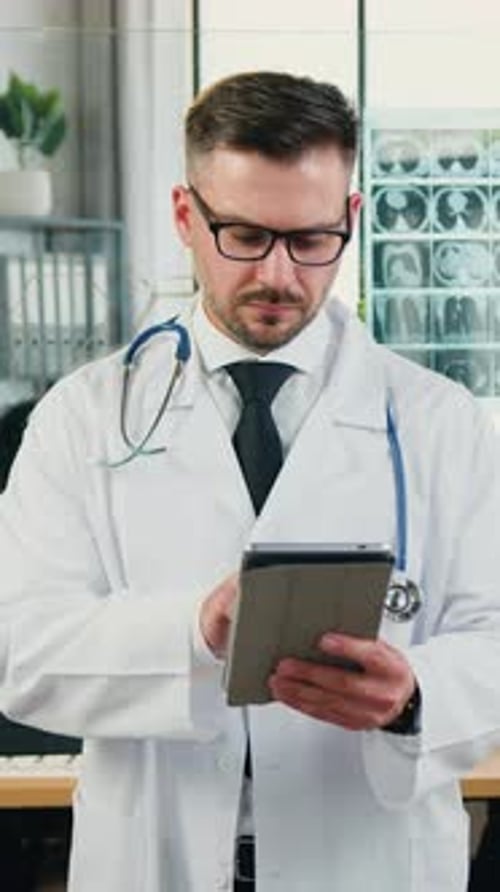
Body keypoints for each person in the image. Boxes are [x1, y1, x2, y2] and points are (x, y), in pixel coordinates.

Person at [0, 70, 499, 892]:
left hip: (368, 863)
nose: (279, 275)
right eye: (245, 236)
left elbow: (493, 635)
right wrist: (192, 633)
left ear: (351, 220)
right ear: (185, 217)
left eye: (310, 240)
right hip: (152, 863)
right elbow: (20, 650)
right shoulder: (83, 416)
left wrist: (416, 696)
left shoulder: (439, 422)